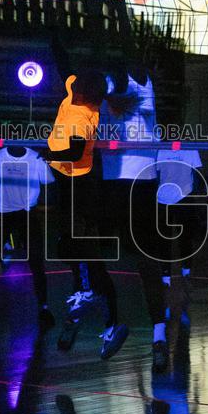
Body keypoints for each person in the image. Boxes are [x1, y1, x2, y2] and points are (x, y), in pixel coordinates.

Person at [45, 70, 126, 360]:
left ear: (86, 94)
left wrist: (48, 154)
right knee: (72, 251)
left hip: (83, 193)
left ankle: (113, 323)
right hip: (68, 190)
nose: (72, 85)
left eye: (77, 86)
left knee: (90, 259)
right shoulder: (72, 95)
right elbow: (65, 69)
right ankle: (82, 308)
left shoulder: (85, 116)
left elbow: (76, 152)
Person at [98, 67, 169, 372]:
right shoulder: (102, 93)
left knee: (146, 264)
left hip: (141, 182)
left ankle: (159, 338)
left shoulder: (143, 90)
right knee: (96, 253)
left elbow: (128, 59)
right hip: (112, 184)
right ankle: (112, 322)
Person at [0, 144, 55, 330]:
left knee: (36, 262)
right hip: (3, 215)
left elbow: (50, 187)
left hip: (28, 215)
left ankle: (44, 307)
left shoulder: (37, 159)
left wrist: (41, 208)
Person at [154, 145, 205, 322]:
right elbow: (156, 174)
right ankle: (166, 277)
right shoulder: (161, 149)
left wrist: (197, 198)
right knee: (164, 239)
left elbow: (198, 172)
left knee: (186, 238)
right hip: (163, 199)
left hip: (185, 197)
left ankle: (186, 272)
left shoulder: (190, 148)